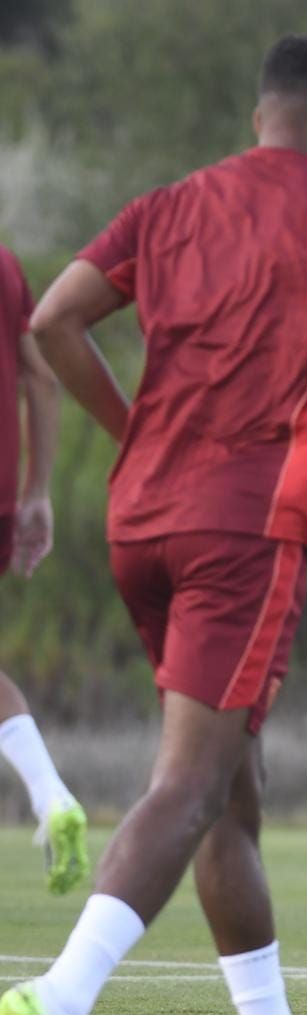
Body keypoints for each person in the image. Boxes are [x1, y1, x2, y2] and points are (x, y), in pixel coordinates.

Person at [1, 35, 307, 1015]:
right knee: (190, 785)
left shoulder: (166, 206)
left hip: (138, 520)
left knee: (233, 794)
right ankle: (60, 1001)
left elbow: (56, 322)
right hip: (243, 527)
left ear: (256, 118)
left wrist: (140, 434)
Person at [0, 241, 88, 897]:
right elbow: (43, 376)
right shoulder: (4, 264)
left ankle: (50, 792)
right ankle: (51, 792)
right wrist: (37, 489)